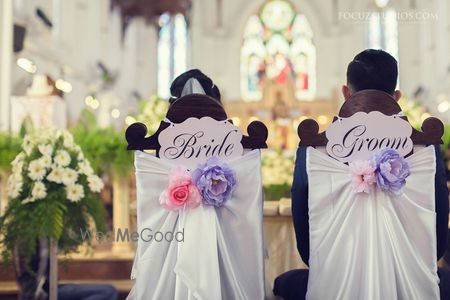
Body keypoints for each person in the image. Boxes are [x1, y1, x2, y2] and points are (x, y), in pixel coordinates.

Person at [274, 49, 449, 299]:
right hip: (413, 280)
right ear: (397, 96)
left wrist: (324, 264)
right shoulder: (425, 146)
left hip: (333, 281)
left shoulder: (313, 148)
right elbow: (439, 222)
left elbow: (303, 220)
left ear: (346, 92)